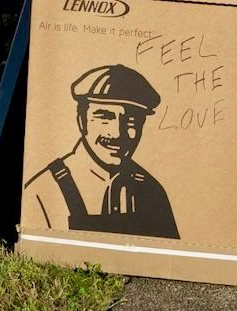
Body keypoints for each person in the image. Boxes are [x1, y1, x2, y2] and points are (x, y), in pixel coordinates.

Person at [21, 64, 179, 238]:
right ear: (82, 121)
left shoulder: (151, 191)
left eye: (131, 120)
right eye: (105, 117)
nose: (118, 133)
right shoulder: (43, 191)